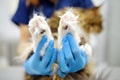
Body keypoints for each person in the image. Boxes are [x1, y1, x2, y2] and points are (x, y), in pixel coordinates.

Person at [12, 0, 103, 78]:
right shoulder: (26, 2)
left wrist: (85, 56)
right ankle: (43, 45)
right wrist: (30, 63)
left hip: (74, 72)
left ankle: (49, 41)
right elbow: (23, 42)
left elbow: (90, 35)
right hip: (41, 70)